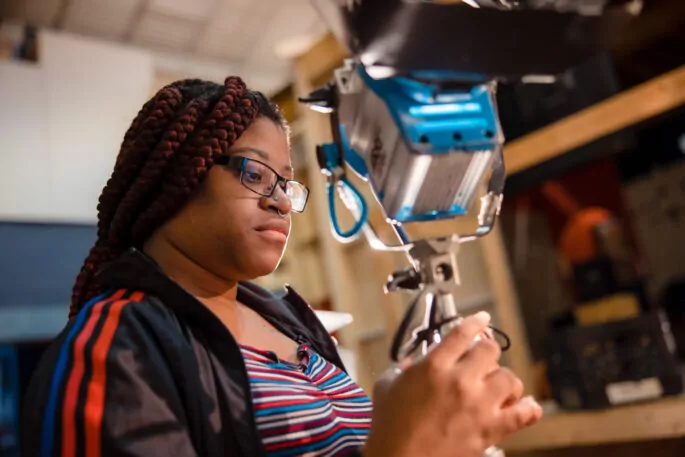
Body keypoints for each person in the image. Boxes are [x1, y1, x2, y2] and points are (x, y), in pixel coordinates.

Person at [20, 76, 542, 457]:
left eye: (287, 184)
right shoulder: (114, 348)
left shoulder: (290, 320)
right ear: (179, 176)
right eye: (254, 173)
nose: (282, 203)